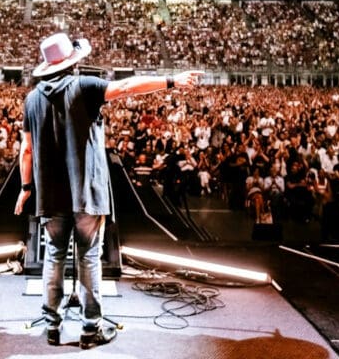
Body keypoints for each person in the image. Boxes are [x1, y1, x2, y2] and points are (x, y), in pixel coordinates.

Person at [14, 32, 201, 349]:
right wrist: (172, 81)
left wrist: (26, 188)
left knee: (53, 258)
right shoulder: (84, 86)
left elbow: (26, 151)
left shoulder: (31, 100)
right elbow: (127, 87)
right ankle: (90, 329)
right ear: (72, 63)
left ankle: (53, 327)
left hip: (49, 196)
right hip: (87, 192)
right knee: (88, 258)